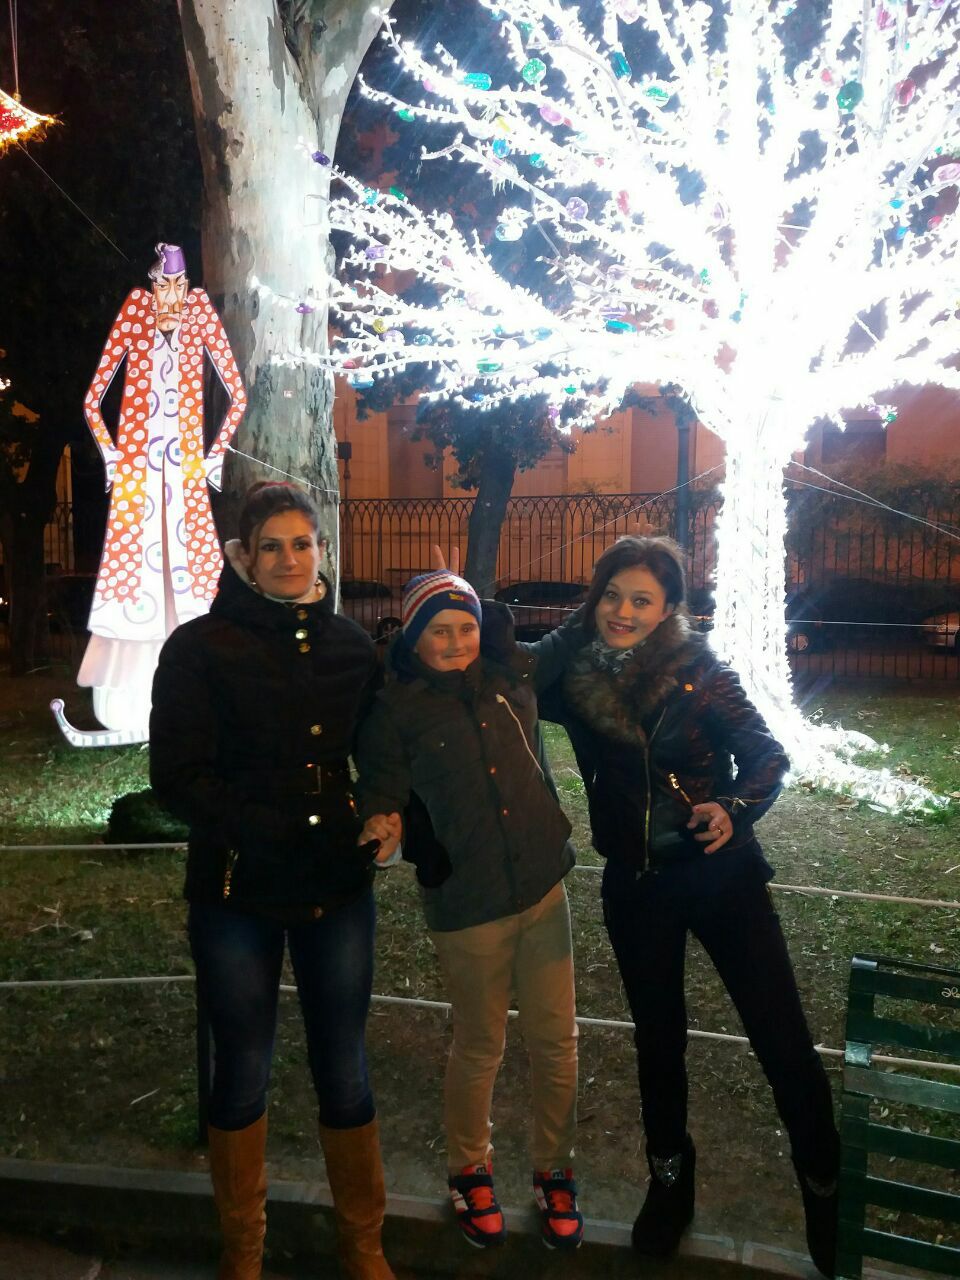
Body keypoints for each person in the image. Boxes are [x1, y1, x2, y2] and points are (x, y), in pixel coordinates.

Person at [540, 535, 840, 1278]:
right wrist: (569, 624)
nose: (623, 611)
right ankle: (670, 1182)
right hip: (637, 885)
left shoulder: (701, 673)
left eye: (641, 599)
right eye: (611, 595)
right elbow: (515, 673)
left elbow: (767, 755)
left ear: (670, 608)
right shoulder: (576, 679)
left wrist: (734, 807)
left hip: (719, 875)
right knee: (658, 1041)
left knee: (780, 1035)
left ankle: (823, 1182)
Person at [150, 481, 395, 1280]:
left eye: (302, 544)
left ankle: (363, 1244)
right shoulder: (198, 647)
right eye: (271, 547)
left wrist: (384, 812)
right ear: (242, 558)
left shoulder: (351, 647)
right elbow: (177, 777)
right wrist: (275, 825)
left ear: (321, 550)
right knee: (242, 1065)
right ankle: (243, 1253)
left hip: (336, 888)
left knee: (344, 1064)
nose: (289, 559)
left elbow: (380, 755)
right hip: (236, 891)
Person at [355, 567, 585, 1253]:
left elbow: (570, 640)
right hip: (468, 902)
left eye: (466, 628)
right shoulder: (396, 710)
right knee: (480, 1045)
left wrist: (607, 582)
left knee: (557, 1041)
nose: (455, 642)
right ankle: (470, 1171)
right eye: (439, 631)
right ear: (413, 639)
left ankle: (555, 1170)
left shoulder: (511, 679)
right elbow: (381, 789)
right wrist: (381, 825)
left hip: (542, 887)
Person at [70, 242, 246, 744]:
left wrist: (214, 455)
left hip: (185, 477)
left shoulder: (201, 314)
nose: (171, 295)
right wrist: (113, 457)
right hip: (137, 478)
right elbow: (93, 399)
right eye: (164, 285)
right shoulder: (134, 312)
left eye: (179, 285)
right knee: (132, 576)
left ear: (188, 286)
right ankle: (129, 702)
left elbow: (236, 394)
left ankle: (201, 693)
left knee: (194, 578)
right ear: (152, 284)